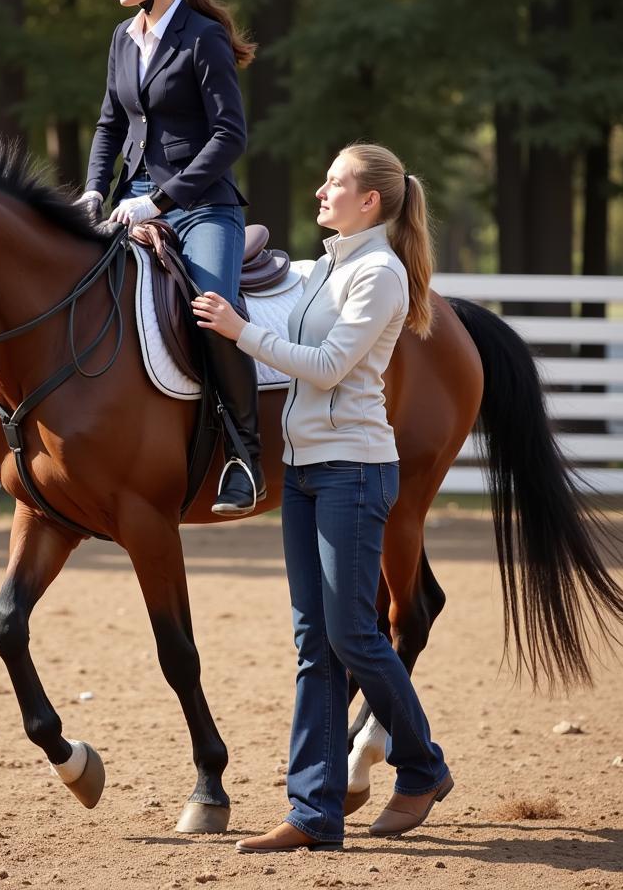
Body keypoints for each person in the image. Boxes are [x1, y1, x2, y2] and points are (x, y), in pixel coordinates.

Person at [191, 144, 452, 852]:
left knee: (352, 634)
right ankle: (313, 814)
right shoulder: (327, 266)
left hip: (354, 470)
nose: (320, 189)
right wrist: (238, 327)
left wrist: (241, 333)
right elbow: (289, 344)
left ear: (370, 201)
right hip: (305, 472)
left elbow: (333, 366)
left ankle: (423, 765)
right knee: (315, 643)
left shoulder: (381, 274)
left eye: (334, 181)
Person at [77, 0, 265, 515]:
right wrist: (92, 191)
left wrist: (160, 197)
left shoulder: (202, 37)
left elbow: (230, 136)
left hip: (201, 209)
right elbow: (110, 124)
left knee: (214, 311)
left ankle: (245, 455)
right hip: (129, 208)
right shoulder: (121, 37)